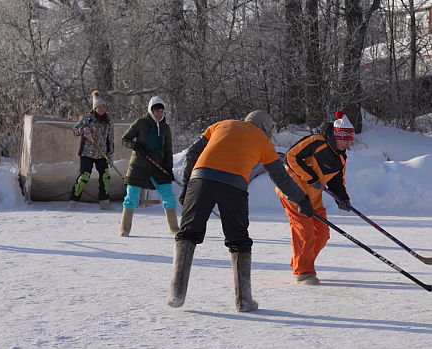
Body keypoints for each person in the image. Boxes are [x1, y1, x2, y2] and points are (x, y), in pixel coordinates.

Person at [167, 110, 313, 312]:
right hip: (234, 186)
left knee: (188, 233)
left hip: (201, 180)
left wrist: (186, 186)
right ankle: (243, 300)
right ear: (266, 129)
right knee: (239, 241)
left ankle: (177, 292)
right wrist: (302, 200)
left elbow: (192, 152)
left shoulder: (221, 124)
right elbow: (281, 178)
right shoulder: (263, 141)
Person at [275, 111, 353, 286]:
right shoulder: (316, 142)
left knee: (322, 234)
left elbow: (336, 181)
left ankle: (300, 261)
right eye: (345, 140)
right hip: (294, 194)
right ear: (336, 136)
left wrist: (343, 198)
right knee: (305, 232)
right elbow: (291, 157)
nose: (348, 144)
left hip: (314, 198)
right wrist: (310, 176)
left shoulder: (341, 157)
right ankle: (303, 272)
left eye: (350, 140)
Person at [119, 96, 178, 237]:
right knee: (131, 197)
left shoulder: (165, 128)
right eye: (156, 111)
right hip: (139, 164)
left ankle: (174, 227)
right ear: (151, 110)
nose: (159, 114)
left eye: (161, 111)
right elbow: (124, 140)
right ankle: (124, 228)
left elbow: (168, 150)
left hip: (158, 165)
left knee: (169, 196)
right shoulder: (141, 123)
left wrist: (169, 169)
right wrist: (136, 146)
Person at [69, 90, 114, 210]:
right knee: (84, 177)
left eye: (103, 106)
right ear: (95, 108)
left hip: (102, 154)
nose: (102, 109)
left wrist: (110, 154)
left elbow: (110, 138)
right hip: (87, 153)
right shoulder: (86, 118)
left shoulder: (108, 122)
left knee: (105, 177)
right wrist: (83, 130)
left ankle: (104, 202)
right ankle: (73, 201)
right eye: (99, 107)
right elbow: (74, 130)